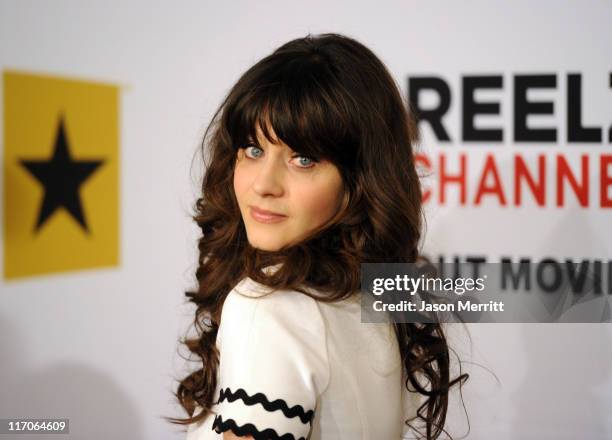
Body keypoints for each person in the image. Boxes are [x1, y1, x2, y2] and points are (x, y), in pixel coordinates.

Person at [167, 32, 468, 439]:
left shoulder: (270, 308)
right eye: (253, 150)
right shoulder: (374, 298)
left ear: (359, 180)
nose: (264, 184)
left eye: (303, 159)